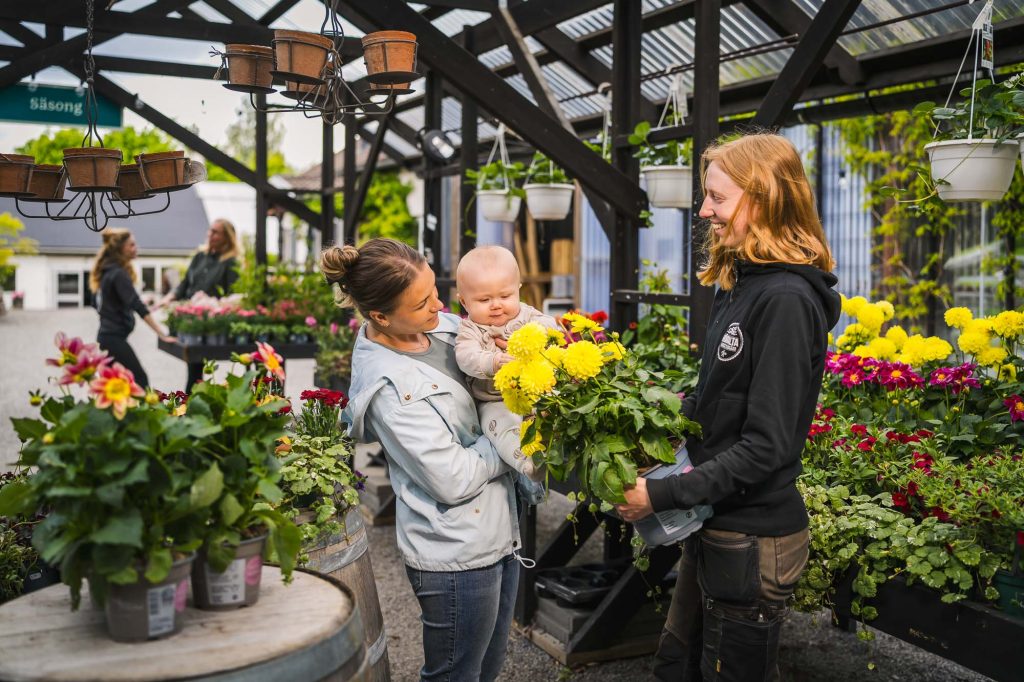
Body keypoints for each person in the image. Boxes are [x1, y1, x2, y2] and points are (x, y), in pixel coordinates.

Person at [615, 133, 842, 681]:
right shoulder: (742, 284)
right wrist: (654, 429)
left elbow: (768, 447)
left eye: (717, 198)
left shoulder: (785, 300)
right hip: (717, 522)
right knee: (676, 663)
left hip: (755, 537)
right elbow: (716, 398)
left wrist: (660, 494)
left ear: (762, 200)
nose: (704, 210)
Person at [322, 238, 522, 682]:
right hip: (457, 552)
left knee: (486, 667)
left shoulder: (447, 327)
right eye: (422, 302)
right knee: (455, 674)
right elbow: (452, 478)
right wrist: (516, 438)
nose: (440, 303)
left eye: (435, 288)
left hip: (499, 527)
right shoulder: (390, 390)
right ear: (380, 316)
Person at [454, 245, 557, 482]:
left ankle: (556, 449)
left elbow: (554, 328)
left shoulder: (527, 315)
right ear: (464, 302)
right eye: (484, 299)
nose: (496, 305)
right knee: (501, 427)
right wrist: (493, 361)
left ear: (518, 291)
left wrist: (530, 337)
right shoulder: (470, 329)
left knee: (554, 413)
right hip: (495, 399)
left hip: (536, 393)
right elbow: (465, 356)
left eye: (505, 296)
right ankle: (526, 462)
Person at [155, 218, 241, 390]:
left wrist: (214, 307)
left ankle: (193, 403)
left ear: (227, 237)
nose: (210, 235)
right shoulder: (200, 256)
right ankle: (193, 403)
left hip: (210, 322)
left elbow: (232, 296)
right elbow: (185, 283)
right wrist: (169, 298)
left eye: (216, 232)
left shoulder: (230, 262)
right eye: (210, 231)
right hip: (190, 319)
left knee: (196, 368)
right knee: (194, 367)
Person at [90, 228, 176, 390]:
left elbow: (98, 303)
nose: (136, 248)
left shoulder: (107, 272)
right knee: (140, 381)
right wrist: (162, 334)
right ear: (120, 248)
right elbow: (137, 305)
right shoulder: (118, 273)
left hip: (106, 338)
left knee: (113, 386)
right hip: (113, 339)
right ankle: (147, 414)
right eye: (132, 245)